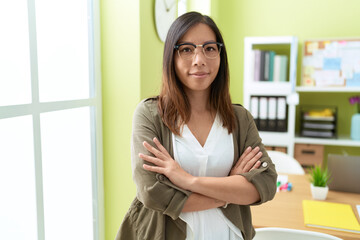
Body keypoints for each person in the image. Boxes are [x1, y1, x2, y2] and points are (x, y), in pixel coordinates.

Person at [115, 11, 277, 240]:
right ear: (172, 57)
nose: (199, 59)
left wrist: (187, 180)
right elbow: (152, 193)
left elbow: (267, 183)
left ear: (220, 55)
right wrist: (228, 191)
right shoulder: (150, 114)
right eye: (187, 49)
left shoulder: (239, 118)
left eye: (209, 48)